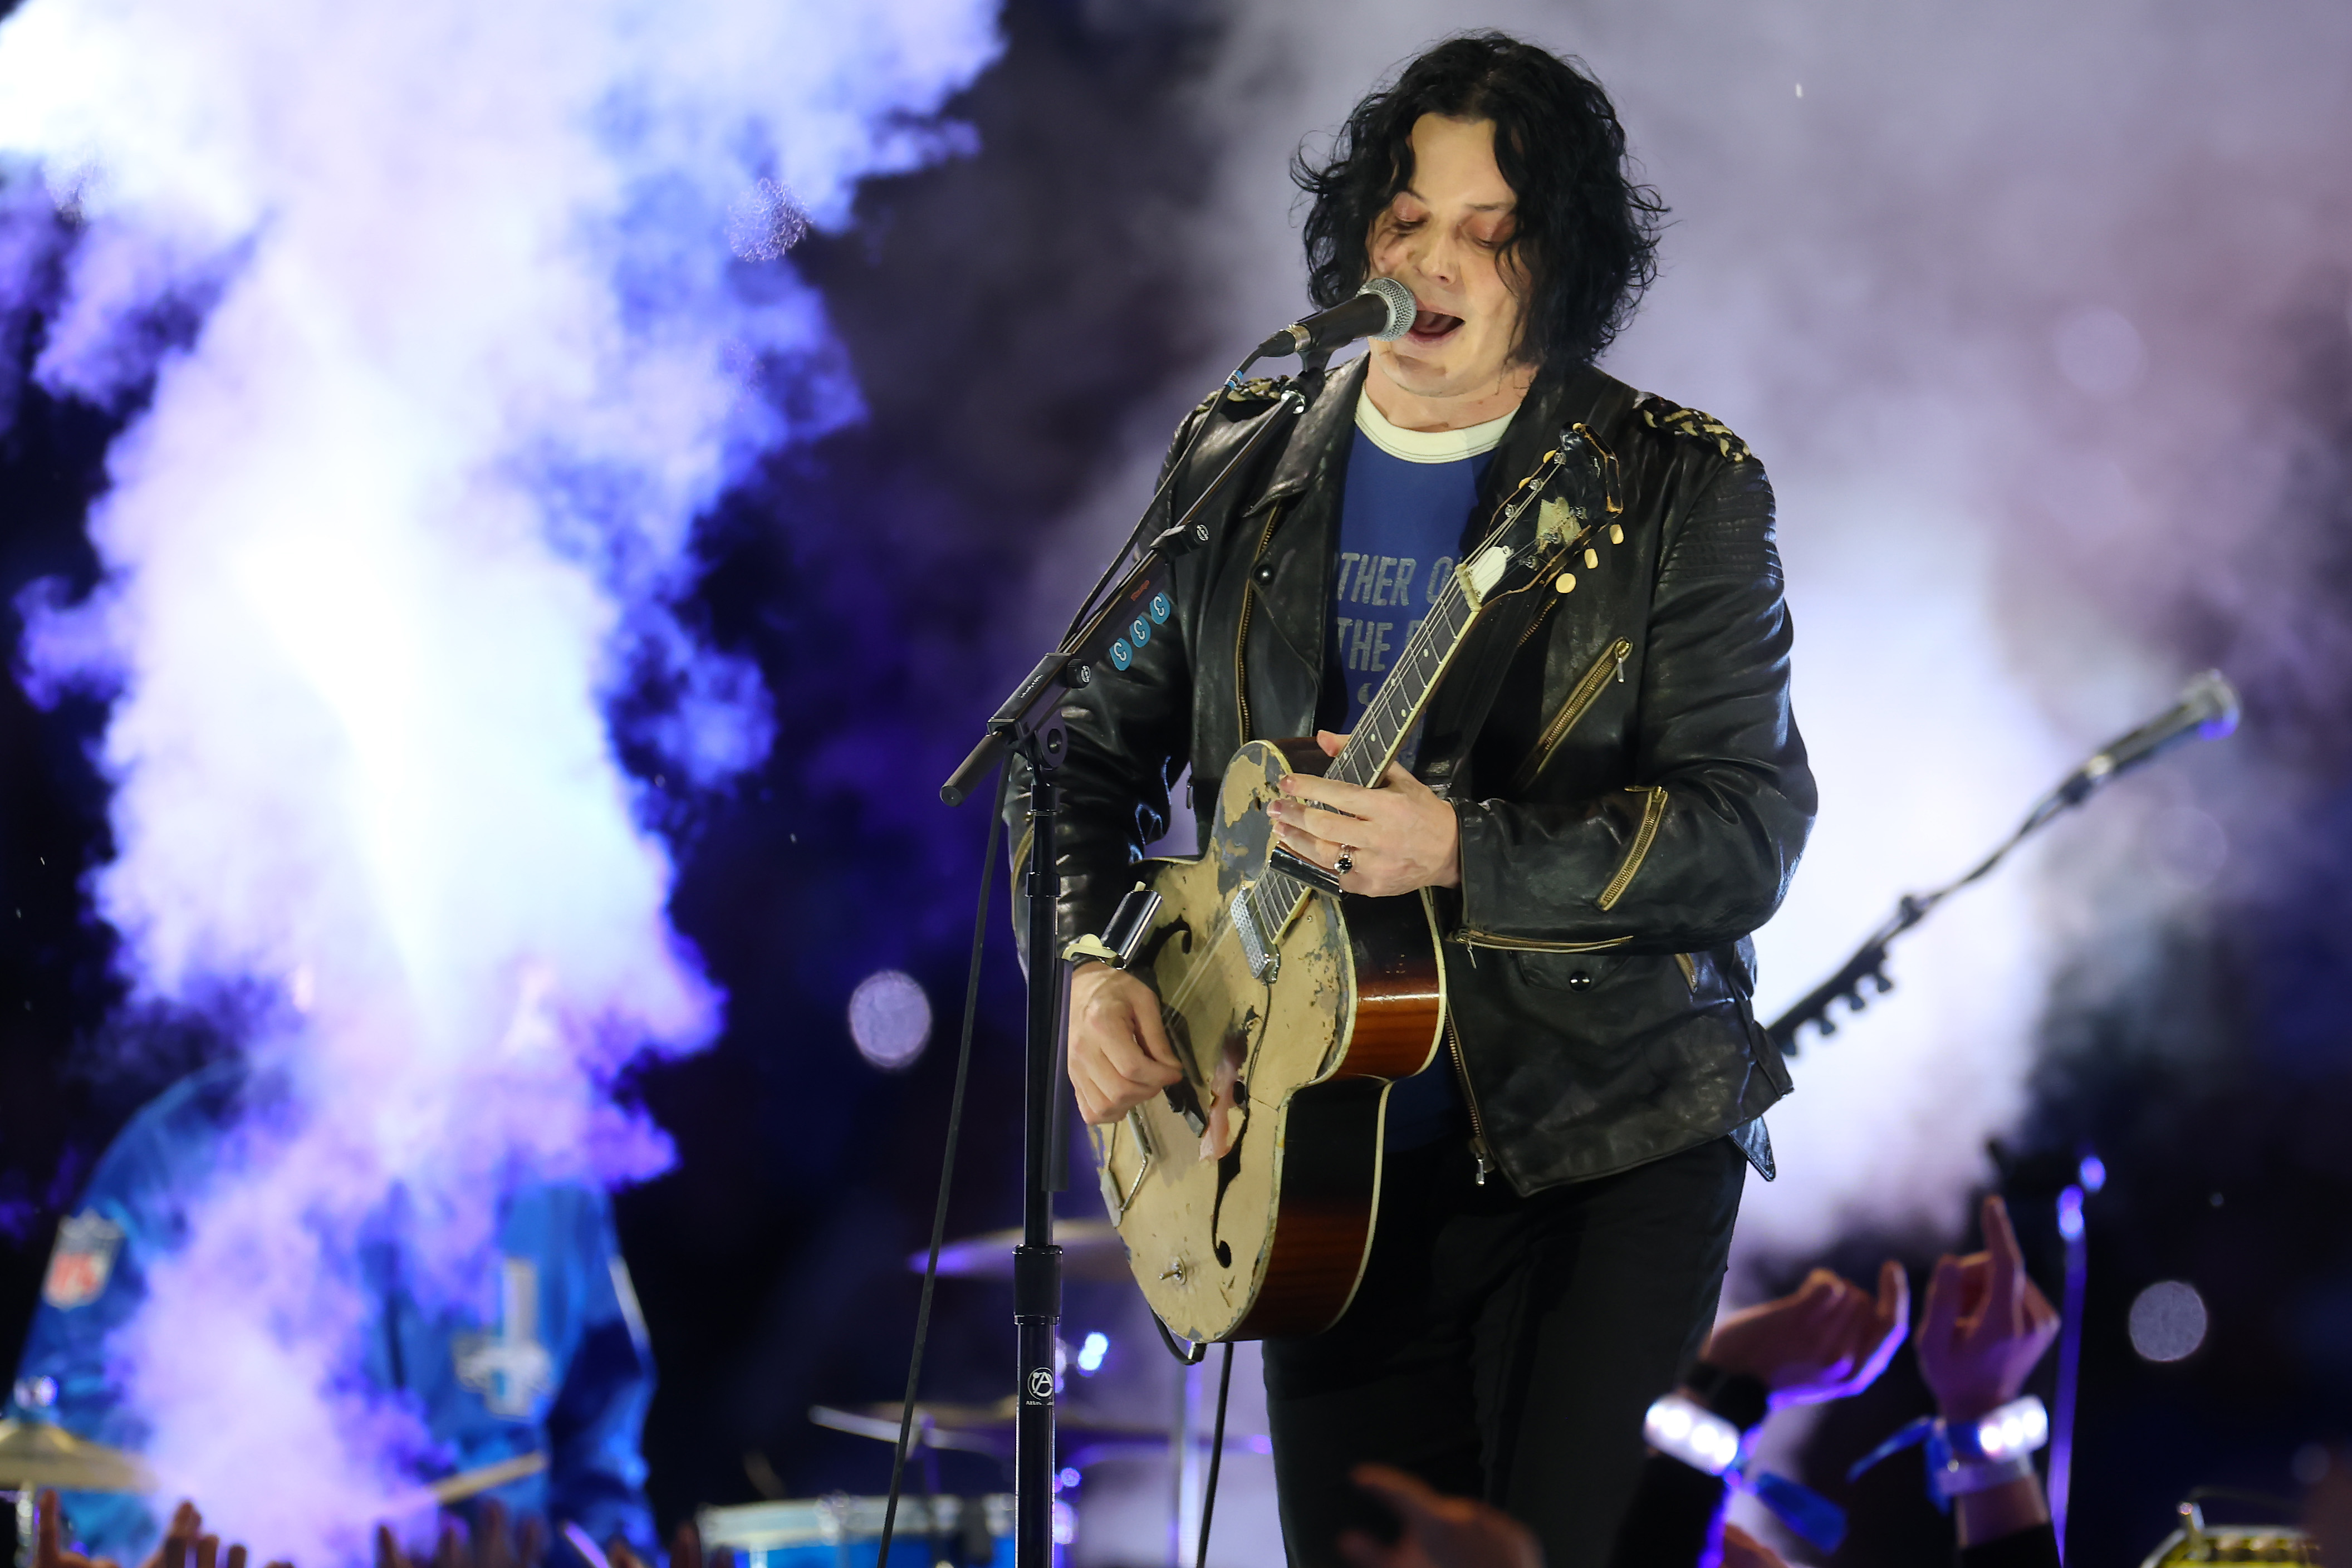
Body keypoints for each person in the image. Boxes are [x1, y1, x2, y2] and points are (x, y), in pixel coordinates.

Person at [1017, 30, 1813, 1566]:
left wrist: (1466, 851)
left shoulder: (1674, 488)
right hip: (1316, 1149)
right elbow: (1080, 749)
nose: (1435, 265)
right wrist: (1095, 964)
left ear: (1557, 263)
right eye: (1406, 225)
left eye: (1488, 234)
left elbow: (1746, 833)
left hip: (1604, 1142)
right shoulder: (1245, 469)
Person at [7, 1059, 658, 1563]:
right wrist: (173, 1545)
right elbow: (65, 1439)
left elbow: (598, 1457)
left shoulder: (553, 1174)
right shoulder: (179, 1151)